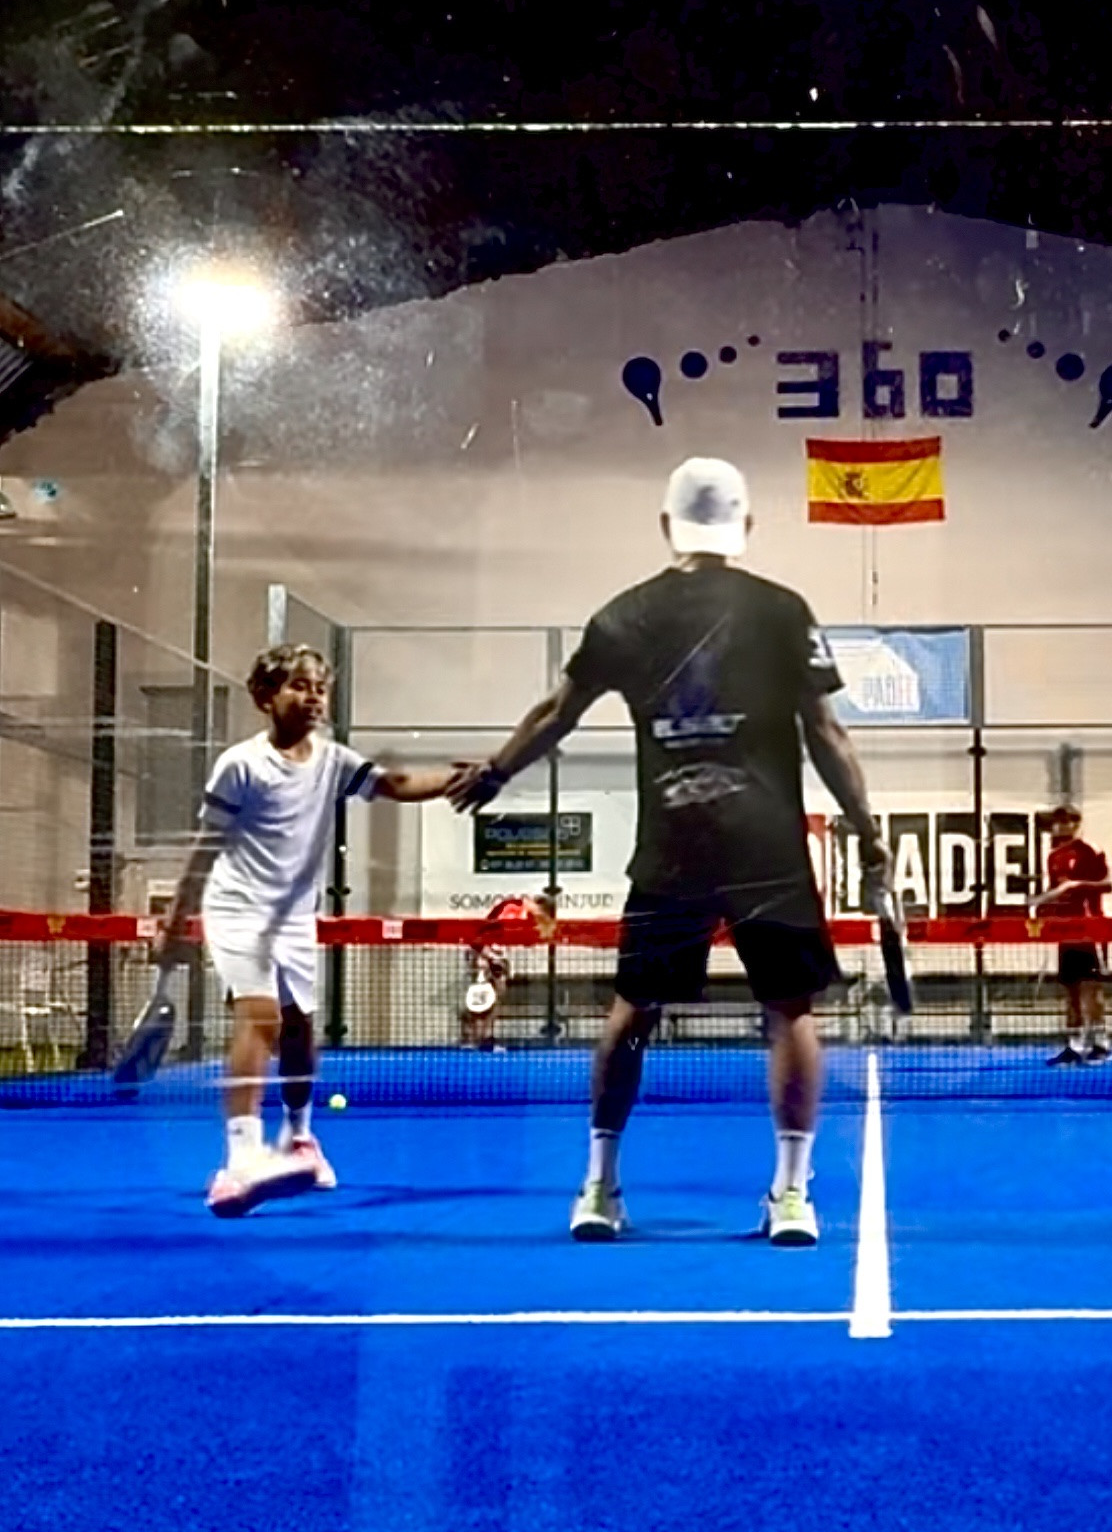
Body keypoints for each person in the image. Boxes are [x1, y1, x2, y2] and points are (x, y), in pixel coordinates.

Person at [445, 457, 893, 1246]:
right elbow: (826, 733)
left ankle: (599, 1186)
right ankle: (791, 1194)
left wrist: (496, 770)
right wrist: (865, 828)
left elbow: (556, 712)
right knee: (790, 1010)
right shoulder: (784, 610)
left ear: (666, 525)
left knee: (633, 1010)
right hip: (766, 848)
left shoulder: (622, 616)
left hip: (673, 846)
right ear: (744, 526)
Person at [156, 643, 457, 1217]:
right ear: (264, 697)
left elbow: (395, 783)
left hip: (294, 917)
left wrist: (458, 779)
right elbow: (206, 847)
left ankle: (298, 1137)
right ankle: (242, 1158)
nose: (314, 696)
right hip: (239, 908)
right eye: (299, 685)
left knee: (298, 1032)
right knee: (260, 1016)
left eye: (320, 687)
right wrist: (176, 916)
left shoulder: (334, 761)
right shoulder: (240, 765)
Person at [1034, 800, 1112, 1065]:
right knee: (1070, 990)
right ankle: (1074, 1045)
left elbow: (1107, 884)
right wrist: (1044, 906)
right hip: (1065, 930)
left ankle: (1101, 1043)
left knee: (1091, 988)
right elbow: (1054, 891)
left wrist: (1076, 885)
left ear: (1076, 823)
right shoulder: (1053, 857)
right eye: (1057, 821)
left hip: (1090, 928)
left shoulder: (1090, 851)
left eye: (1066, 820)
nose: (1060, 825)